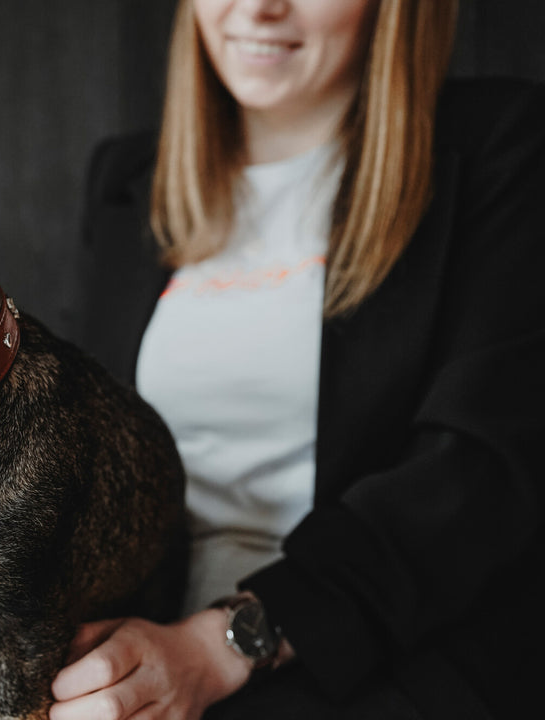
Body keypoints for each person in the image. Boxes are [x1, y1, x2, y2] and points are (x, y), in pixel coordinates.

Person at [52, 0, 545, 718]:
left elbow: (478, 474)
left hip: (376, 656)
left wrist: (224, 643)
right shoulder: (125, 177)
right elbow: (83, 448)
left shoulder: (505, 144)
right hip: (145, 643)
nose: (259, 8)